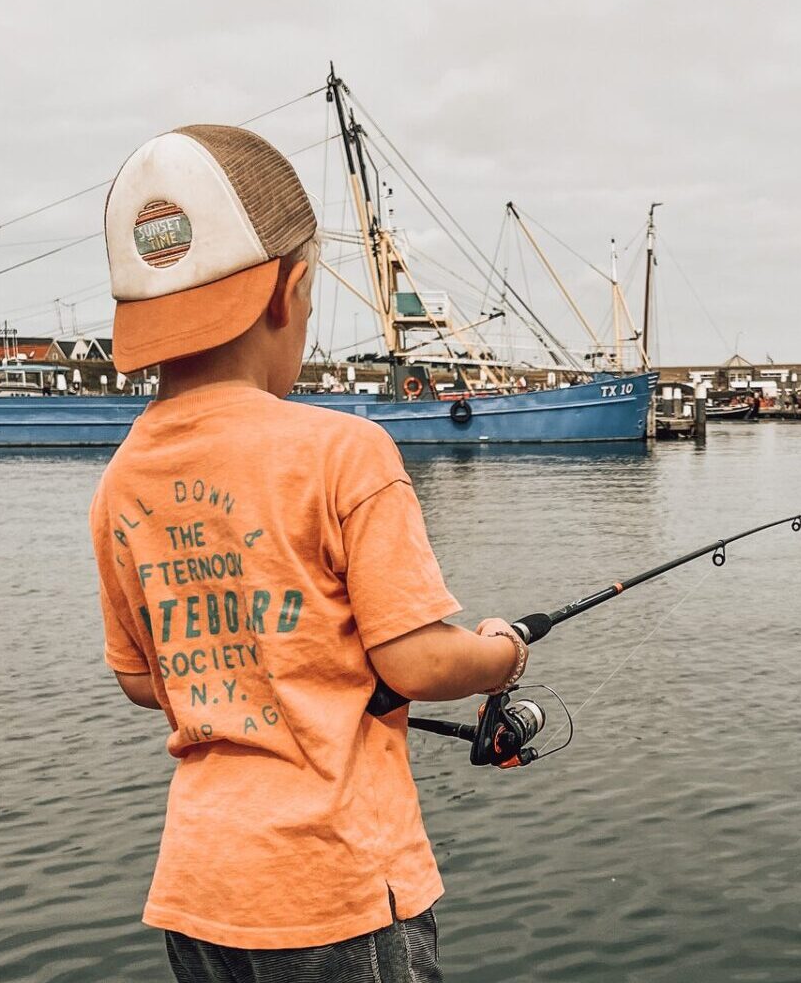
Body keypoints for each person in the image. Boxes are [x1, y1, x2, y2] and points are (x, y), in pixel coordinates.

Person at [89, 125, 525, 982]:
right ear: (287, 294)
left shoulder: (120, 481)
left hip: (201, 891)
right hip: (337, 889)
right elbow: (418, 656)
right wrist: (501, 655)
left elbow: (143, 681)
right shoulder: (343, 451)